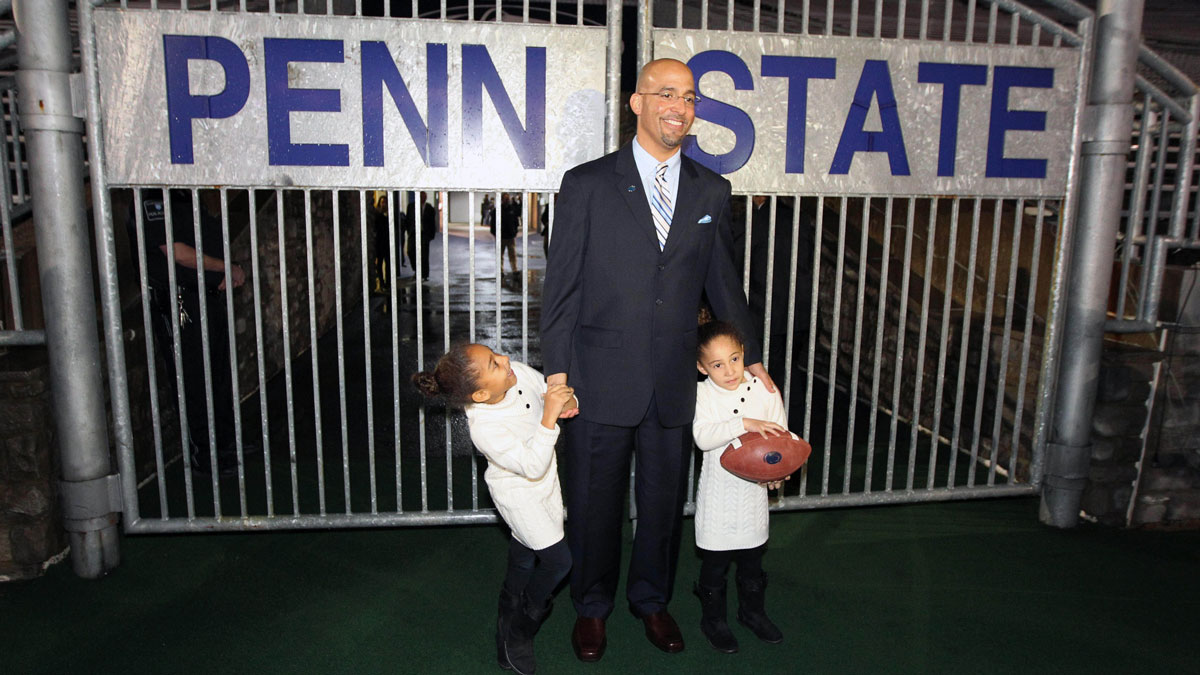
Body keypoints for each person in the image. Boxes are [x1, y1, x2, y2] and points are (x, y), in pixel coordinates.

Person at [540, 58, 774, 661]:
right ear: (636, 103)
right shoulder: (586, 184)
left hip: (674, 382)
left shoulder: (711, 191)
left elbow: (724, 286)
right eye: (665, 93)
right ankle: (591, 608)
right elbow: (561, 288)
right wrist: (557, 376)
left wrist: (752, 365)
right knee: (593, 503)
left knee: (665, 505)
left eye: (690, 97)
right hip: (597, 378)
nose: (680, 106)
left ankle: (652, 600)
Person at [412, 344, 577, 675]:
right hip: (519, 494)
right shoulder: (485, 428)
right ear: (482, 395)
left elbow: (550, 391)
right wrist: (549, 416)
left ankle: (507, 612)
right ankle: (520, 630)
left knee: (524, 552)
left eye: (495, 354)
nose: (506, 359)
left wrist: (567, 402)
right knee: (559, 561)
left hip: (547, 483)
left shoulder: (515, 373)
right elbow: (531, 465)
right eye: (494, 364)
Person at [127, 189, 247, 476]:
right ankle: (203, 455)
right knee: (192, 378)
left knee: (217, 374)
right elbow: (176, 252)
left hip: (206, 295)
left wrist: (220, 274)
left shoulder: (184, 196)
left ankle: (225, 444)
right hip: (179, 301)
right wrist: (225, 268)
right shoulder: (151, 198)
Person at [691, 319, 788, 653]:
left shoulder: (764, 389)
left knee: (752, 559)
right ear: (702, 368)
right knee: (715, 563)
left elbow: (782, 439)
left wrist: (778, 471)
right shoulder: (702, 394)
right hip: (719, 494)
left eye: (734, 358)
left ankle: (753, 613)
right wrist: (743, 423)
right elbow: (702, 437)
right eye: (717, 364)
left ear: (744, 354)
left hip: (753, 495)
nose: (729, 370)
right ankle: (713, 620)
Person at [736, 195, 816, 380]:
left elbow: (734, 266)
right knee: (787, 374)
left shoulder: (751, 222)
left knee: (761, 377)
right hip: (797, 313)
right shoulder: (797, 217)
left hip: (762, 313)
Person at [403, 191, 438, 280]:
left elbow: (432, 222)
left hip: (424, 234)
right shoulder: (411, 206)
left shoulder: (429, 208)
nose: (422, 198)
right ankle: (417, 270)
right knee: (410, 251)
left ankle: (424, 274)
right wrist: (409, 230)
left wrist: (431, 235)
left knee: (424, 255)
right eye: (421, 196)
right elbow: (408, 219)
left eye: (424, 197)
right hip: (413, 233)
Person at [499, 193, 521, 275]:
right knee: (500, 255)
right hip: (501, 236)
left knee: (513, 255)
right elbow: (493, 223)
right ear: (502, 199)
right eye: (505, 198)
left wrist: (515, 231)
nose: (507, 200)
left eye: (508, 198)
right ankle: (500, 271)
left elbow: (516, 221)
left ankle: (514, 269)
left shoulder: (512, 209)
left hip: (511, 236)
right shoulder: (498, 210)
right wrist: (496, 233)